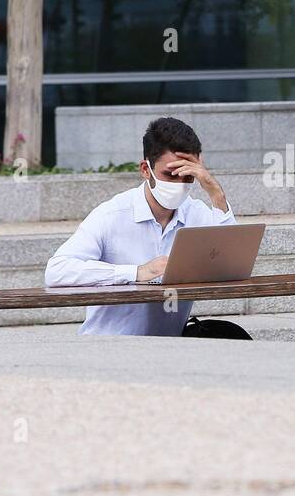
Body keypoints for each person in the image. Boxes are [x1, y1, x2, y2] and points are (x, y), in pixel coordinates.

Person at [44, 116, 235, 336]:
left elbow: (232, 265)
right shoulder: (111, 215)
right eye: (170, 174)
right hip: (107, 348)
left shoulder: (197, 213)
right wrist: (137, 272)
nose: (179, 184)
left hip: (170, 350)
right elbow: (57, 271)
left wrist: (216, 193)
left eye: (188, 176)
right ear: (146, 169)